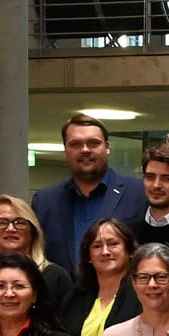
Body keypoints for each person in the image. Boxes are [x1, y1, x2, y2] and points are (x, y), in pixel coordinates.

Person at [31, 114, 147, 269]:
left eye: (93, 143)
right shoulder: (44, 202)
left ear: (107, 148)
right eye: (75, 144)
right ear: (65, 150)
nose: (85, 150)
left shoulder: (139, 194)